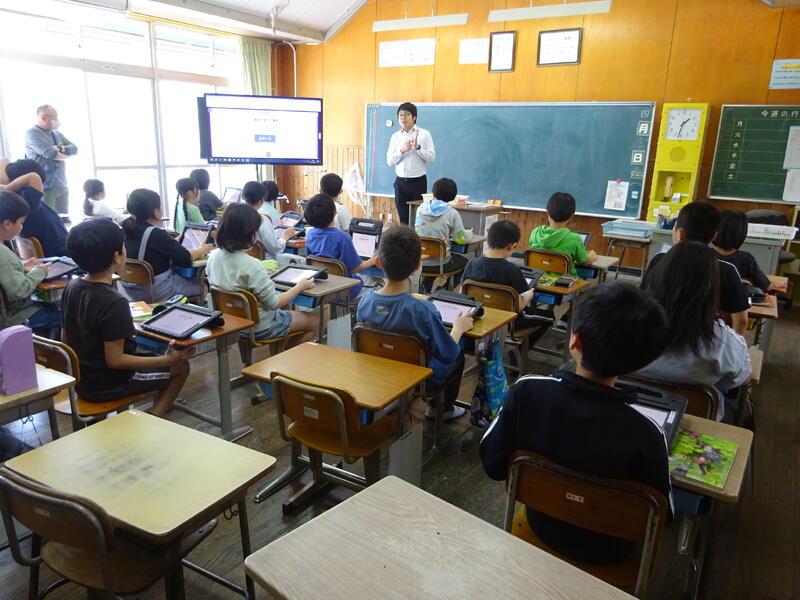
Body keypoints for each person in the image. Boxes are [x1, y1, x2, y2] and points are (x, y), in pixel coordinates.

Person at [480, 281, 673, 565]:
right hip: (612, 551)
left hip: (541, 525)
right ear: (638, 364)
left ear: (575, 341)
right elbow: (661, 515)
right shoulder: (648, 432)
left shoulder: (526, 391)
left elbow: (492, 462)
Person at [62, 219, 192, 417]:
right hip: (110, 383)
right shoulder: (113, 301)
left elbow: (65, 338)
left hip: (82, 379)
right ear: (117, 257)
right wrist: (168, 358)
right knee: (180, 367)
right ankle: (154, 418)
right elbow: (116, 361)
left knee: (153, 358)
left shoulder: (72, 287)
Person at [357, 226, 473, 421]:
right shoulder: (423, 310)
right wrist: (458, 328)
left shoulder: (365, 301)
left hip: (378, 371)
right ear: (417, 266)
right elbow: (448, 353)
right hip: (419, 378)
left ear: (377, 261)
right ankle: (440, 410)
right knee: (458, 354)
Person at [638, 242, 752, 421]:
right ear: (711, 287)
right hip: (694, 423)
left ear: (658, 276)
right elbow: (742, 378)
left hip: (634, 413)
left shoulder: (627, 324)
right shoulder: (722, 339)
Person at [205, 203, 318, 345]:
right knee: (315, 321)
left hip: (232, 322)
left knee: (285, 309)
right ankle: (285, 355)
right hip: (260, 326)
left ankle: (280, 352)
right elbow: (274, 303)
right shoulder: (252, 265)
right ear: (251, 235)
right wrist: (300, 286)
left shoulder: (213, 257)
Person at [641, 201, 749, 336]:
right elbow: (741, 321)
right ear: (714, 236)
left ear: (679, 234)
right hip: (705, 342)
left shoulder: (659, 260)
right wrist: (733, 346)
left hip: (658, 339)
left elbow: (642, 301)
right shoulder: (727, 270)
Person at [121, 189, 213, 302]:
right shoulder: (156, 234)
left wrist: (175, 241)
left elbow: (155, 248)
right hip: (158, 291)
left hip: (133, 290)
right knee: (205, 284)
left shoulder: (126, 229)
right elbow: (185, 257)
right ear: (155, 211)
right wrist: (203, 249)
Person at [0, 190, 59, 332]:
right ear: (7, 223)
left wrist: (21, 267)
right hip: (17, 318)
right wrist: (40, 270)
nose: (22, 226)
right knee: (64, 314)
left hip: (9, 314)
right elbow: (19, 291)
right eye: (21, 222)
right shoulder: (3, 254)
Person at [460, 220, 535, 328]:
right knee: (548, 317)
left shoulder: (472, 264)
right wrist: (529, 294)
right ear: (511, 246)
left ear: (488, 241)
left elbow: (462, 294)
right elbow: (518, 307)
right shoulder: (512, 270)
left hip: (476, 318)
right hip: (506, 323)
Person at [304, 194, 377, 300]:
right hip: (345, 289)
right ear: (335, 211)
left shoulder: (310, 234)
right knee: (377, 282)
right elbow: (355, 268)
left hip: (322, 286)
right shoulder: (342, 237)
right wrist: (372, 260)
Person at [0, 158, 67, 257]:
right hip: (62, 255)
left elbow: (4, 161)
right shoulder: (27, 203)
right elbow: (34, 176)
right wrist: (6, 188)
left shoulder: (12, 205)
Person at [415, 177, 472, 291]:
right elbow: (461, 239)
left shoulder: (421, 208)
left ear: (433, 194)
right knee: (468, 264)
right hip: (441, 264)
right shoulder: (452, 213)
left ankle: (425, 287)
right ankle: (444, 290)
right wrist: (469, 233)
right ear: (453, 197)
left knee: (434, 258)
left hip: (420, 261)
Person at [386, 102, 435, 224]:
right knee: (403, 220)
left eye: (407, 114)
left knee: (418, 220)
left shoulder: (424, 134)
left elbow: (431, 158)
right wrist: (402, 150)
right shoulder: (395, 136)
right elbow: (390, 161)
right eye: (401, 115)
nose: (403, 118)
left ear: (414, 117)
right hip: (400, 183)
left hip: (418, 183)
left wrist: (418, 148)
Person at [25, 105, 77, 214]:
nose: (57, 119)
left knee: (64, 218)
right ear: (43, 118)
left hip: (61, 183)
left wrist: (60, 148)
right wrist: (62, 153)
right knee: (49, 218)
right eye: (55, 116)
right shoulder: (32, 133)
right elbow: (50, 154)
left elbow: (74, 149)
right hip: (45, 186)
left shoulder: (56, 133)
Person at [529, 192, 597, 276]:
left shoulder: (535, 233)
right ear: (571, 216)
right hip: (564, 282)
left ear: (547, 212)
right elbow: (584, 261)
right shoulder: (574, 239)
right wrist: (592, 255)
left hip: (538, 278)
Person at [713, 210, 771, 293]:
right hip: (735, 300)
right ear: (741, 234)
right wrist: (747, 281)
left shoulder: (704, 255)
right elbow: (766, 286)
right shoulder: (746, 259)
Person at [240, 180, 298, 260]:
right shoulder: (262, 220)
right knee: (301, 261)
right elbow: (274, 248)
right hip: (263, 261)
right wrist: (285, 236)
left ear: (242, 196)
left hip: (240, 260)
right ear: (262, 200)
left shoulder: (233, 217)